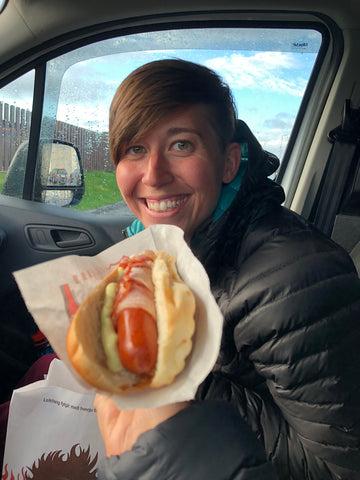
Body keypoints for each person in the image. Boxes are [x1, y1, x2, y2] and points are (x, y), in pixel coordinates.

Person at [94, 59, 360, 480]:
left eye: (181, 145)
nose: (154, 174)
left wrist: (177, 378)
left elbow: (337, 469)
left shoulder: (291, 280)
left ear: (229, 162)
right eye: (135, 149)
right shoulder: (158, 251)